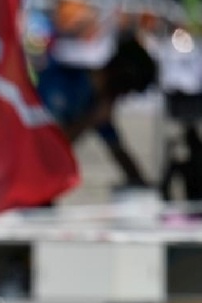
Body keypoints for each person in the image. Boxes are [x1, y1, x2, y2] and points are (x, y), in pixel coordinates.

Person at [36, 30, 158, 188]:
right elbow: (48, 146)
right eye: (127, 91)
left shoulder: (97, 102)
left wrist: (144, 187)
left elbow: (118, 151)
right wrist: (91, 119)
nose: (124, 98)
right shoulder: (64, 85)